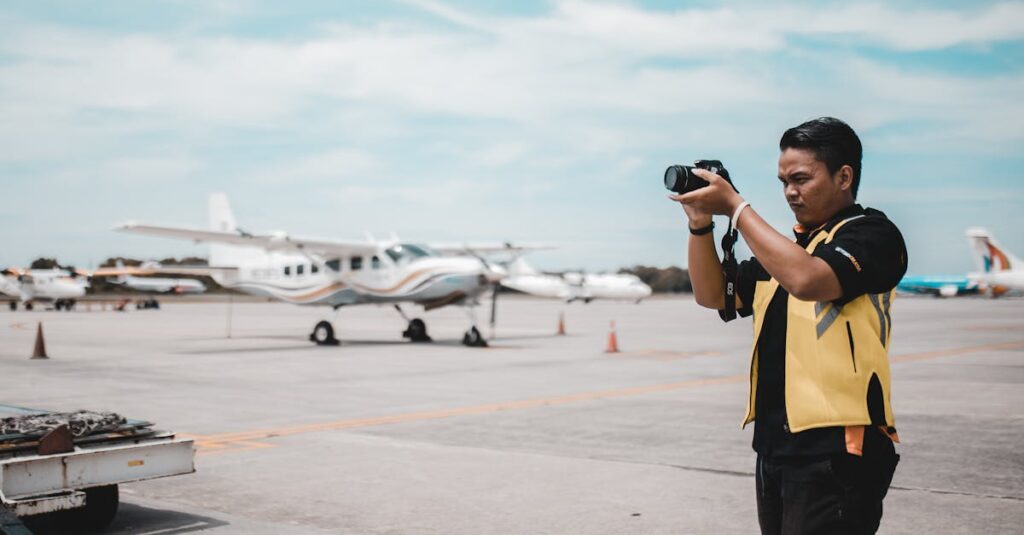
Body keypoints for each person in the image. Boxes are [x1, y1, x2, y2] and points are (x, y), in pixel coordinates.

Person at [669, 117, 907, 534]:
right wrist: (700, 223)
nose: (790, 192)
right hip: (776, 447)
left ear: (844, 176)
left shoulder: (872, 235)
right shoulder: (786, 252)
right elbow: (711, 294)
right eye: (783, 182)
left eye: (801, 179)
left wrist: (737, 209)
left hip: (838, 449)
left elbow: (809, 280)